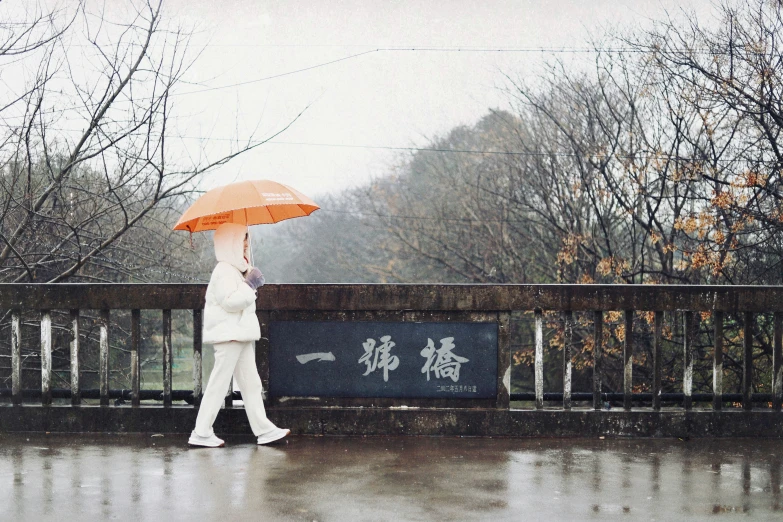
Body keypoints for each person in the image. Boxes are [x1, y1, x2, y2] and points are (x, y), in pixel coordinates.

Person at [189, 222, 289, 447]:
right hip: (229, 335)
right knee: (219, 383)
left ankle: (264, 430)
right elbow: (231, 302)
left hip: (237, 334)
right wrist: (250, 285)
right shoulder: (224, 269)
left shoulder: (234, 269)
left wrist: (248, 280)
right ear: (231, 242)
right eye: (243, 238)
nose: (246, 243)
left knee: (251, 384)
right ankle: (201, 432)